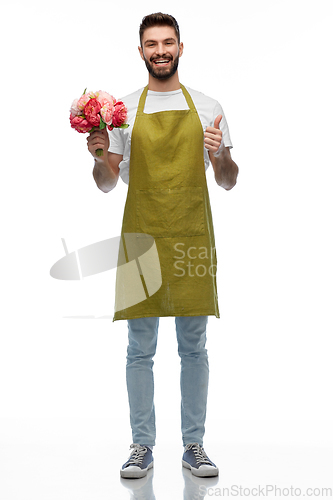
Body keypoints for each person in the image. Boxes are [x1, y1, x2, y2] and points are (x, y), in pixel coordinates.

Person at [87, 12, 239, 479]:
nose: (160, 50)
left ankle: (194, 445)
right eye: (151, 43)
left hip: (191, 233)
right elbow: (106, 183)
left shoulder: (209, 105)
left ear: (180, 47)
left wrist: (219, 155)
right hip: (142, 234)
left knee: (194, 345)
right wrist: (98, 155)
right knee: (140, 345)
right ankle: (141, 445)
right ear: (141, 51)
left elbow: (229, 181)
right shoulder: (122, 112)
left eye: (167, 42)